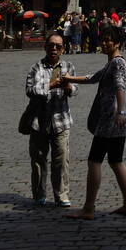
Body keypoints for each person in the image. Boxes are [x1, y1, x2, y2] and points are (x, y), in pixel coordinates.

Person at [61, 26, 126, 219]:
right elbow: (93, 78)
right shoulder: (113, 63)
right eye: (103, 39)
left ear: (117, 43)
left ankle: (89, 208)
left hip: (110, 121)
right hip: (117, 121)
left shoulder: (117, 63)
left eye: (108, 40)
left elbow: (120, 87)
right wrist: (69, 78)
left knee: (94, 161)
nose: (104, 43)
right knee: (116, 161)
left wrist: (121, 111)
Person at [24, 31, 77, 207]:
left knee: (61, 161)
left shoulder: (68, 67)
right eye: (51, 45)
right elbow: (31, 90)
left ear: (63, 49)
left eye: (58, 46)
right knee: (39, 161)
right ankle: (39, 194)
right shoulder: (36, 68)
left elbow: (76, 90)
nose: (54, 48)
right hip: (39, 122)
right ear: (45, 47)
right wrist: (52, 85)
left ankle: (61, 195)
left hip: (61, 121)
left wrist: (69, 87)